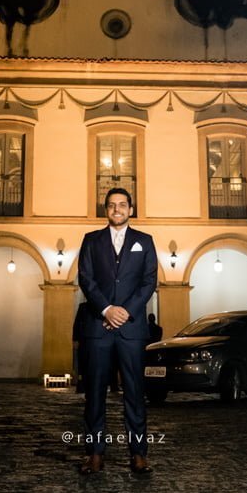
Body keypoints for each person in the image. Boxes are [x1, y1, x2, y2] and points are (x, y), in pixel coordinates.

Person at [77, 187, 157, 475]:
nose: (117, 209)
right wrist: (106, 309)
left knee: (134, 392)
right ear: (106, 210)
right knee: (95, 393)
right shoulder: (91, 240)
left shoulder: (144, 241)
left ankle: (138, 454)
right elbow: (86, 279)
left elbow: (149, 281)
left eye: (122, 204)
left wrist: (124, 312)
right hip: (98, 327)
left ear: (130, 210)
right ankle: (95, 454)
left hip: (131, 329)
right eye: (111, 205)